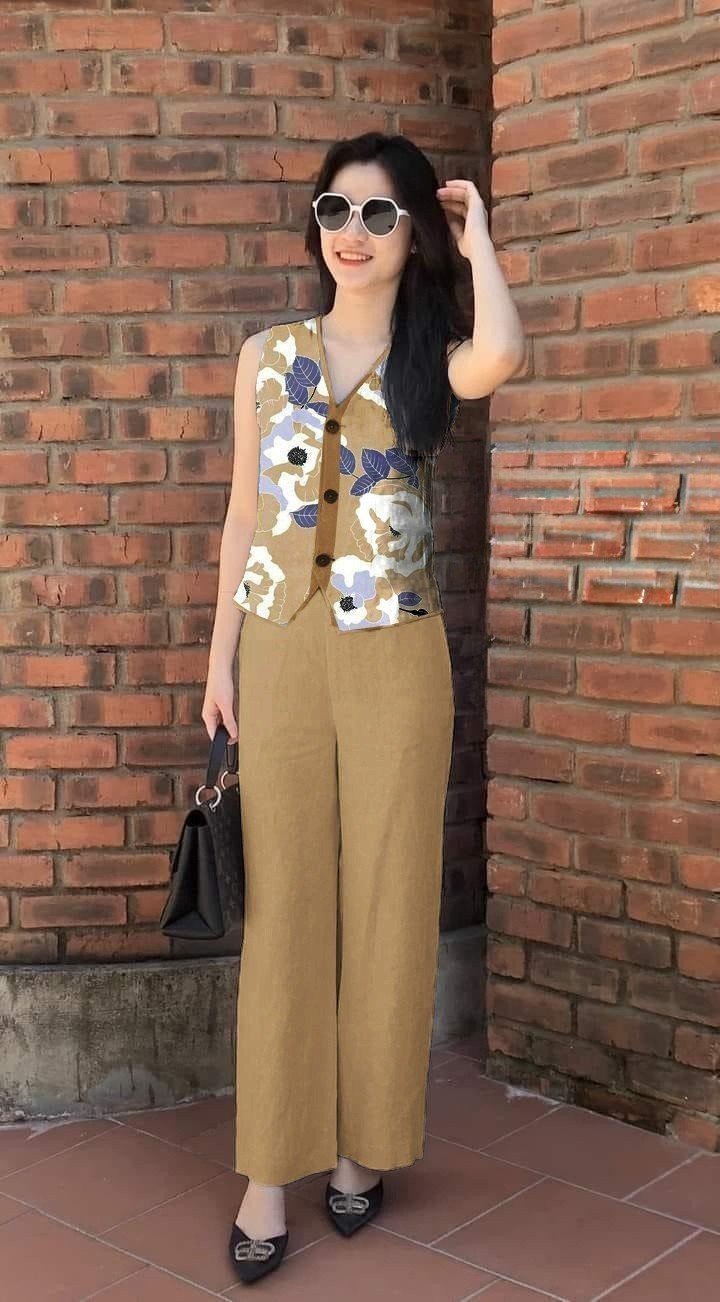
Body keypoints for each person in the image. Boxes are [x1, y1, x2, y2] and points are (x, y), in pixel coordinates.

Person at [201, 131, 525, 1285]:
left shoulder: (434, 358)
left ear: (411, 235)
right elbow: (244, 514)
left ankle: (360, 1147)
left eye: (380, 215)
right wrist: (219, 660)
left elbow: (505, 353)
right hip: (282, 648)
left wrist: (480, 242)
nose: (353, 232)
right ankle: (267, 1172)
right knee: (285, 908)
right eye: (335, 210)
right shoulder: (267, 355)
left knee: (387, 901)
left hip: (399, 657)